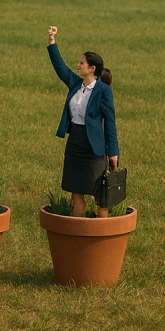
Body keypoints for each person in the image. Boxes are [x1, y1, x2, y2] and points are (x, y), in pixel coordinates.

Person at [46, 25, 119, 217]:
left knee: (99, 191)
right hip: (75, 143)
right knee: (75, 190)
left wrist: (113, 152)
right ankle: (78, 229)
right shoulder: (75, 84)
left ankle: (102, 231)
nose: (78, 65)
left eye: (81, 63)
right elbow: (59, 66)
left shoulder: (104, 91)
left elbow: (110, 123)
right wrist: (52, 41)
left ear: (92, 69)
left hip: (94, 147)